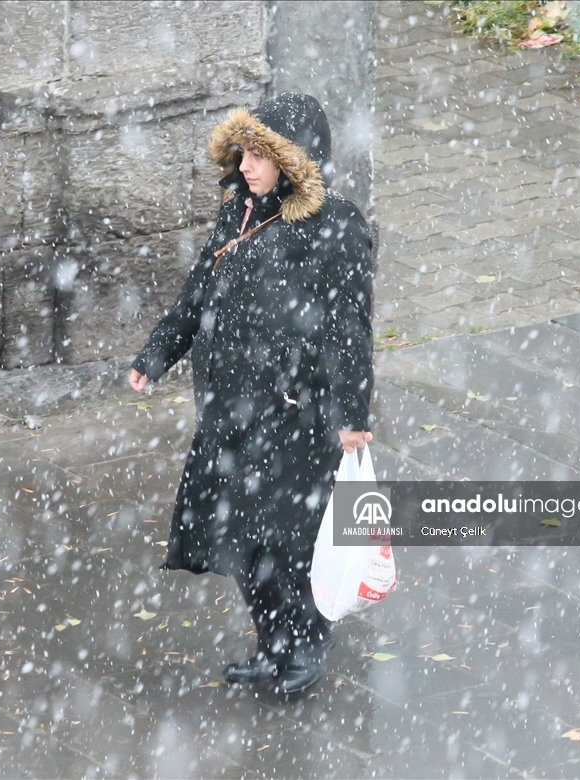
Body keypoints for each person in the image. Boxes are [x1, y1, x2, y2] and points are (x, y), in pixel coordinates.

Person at [129, 93, 373, 694]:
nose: (245, 165)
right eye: (243, 152)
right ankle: (272, 646)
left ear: (293, 162)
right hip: (227, 411)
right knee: (238, 536)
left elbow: (350, 329)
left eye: (260, 156)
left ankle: (306, 645)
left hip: (295, 412)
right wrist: (156, 355)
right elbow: (197, 295)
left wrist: (350, 412)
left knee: (288, 541)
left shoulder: (335, 226)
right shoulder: (237, 210)